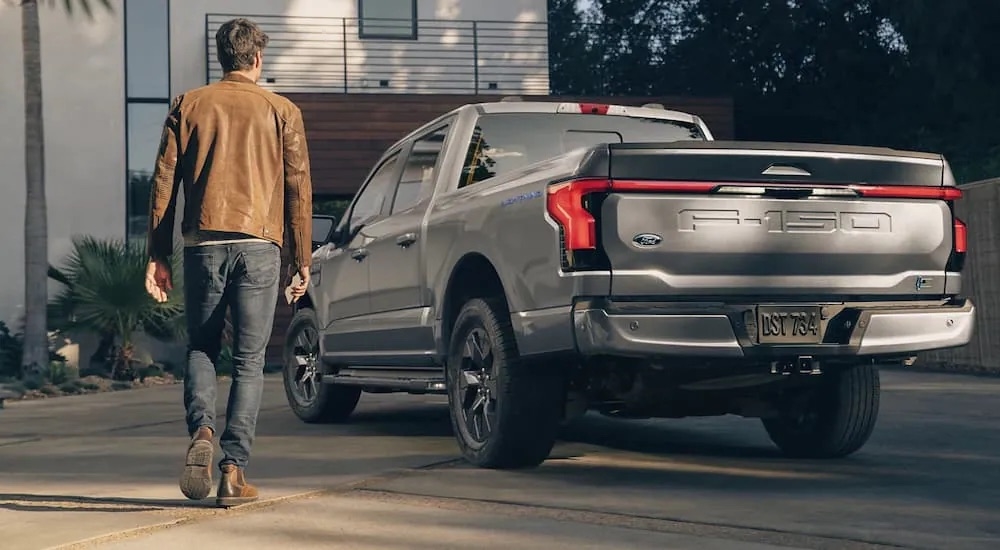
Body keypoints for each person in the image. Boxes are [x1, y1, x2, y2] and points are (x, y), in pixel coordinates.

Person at [143, 17, 313, 508]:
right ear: (257, 58)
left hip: (202, 244)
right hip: (260, 244)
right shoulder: (282, 110)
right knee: (249, 360)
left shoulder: (189, 104)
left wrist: (157, 254)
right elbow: (298, 189)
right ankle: (233, 471)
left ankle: (201, 432)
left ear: (223, 58)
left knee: (201, 347)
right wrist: (301, 259)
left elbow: (162, 183)